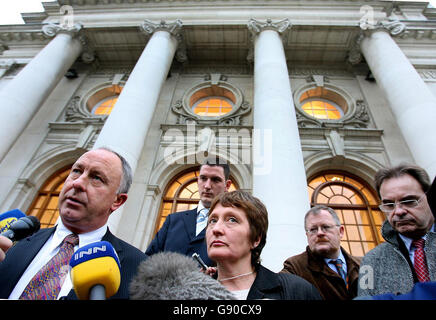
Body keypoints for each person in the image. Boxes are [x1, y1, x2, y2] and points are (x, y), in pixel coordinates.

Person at [0, 147, 147, 300]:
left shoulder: (140, 270)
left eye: (96, 178)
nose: (78, 183)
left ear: (117, 201)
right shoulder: (11, 244)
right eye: (77, 171)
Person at [205, 190, 321, 300]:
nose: (216, 229)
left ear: (256, 239)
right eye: (213, 220)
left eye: (232, 220)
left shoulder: (297, 291)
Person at [357, 164, 435, 297]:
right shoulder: (370, 261)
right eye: (389, 204)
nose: (398, 211)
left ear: (428, 198)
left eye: (409, 201)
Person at [146, 157, 231, 266]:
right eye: (203, 178)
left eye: (215, 180)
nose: (207, 186)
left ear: (227, 185)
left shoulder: (231, 226)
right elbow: (148, 261)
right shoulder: (173, 220)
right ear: (198, 181)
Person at [280, 205, 361, 300]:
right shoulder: (295, 268)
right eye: (313, 229)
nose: (319, 233)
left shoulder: (366, 265)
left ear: (341, 231)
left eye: (325, 227)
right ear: (307, 235)